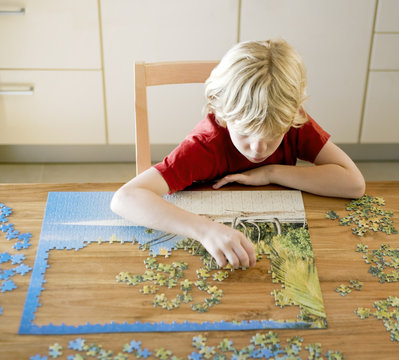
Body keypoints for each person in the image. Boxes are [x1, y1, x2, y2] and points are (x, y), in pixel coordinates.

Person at [111, 38, 365, 270]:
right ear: (222, 113)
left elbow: (353, 184)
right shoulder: (205, 145)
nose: (258, 149)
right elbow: (125, 198)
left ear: (293, 116)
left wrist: (271, 172)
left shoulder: (291, 120)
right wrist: (206, 231)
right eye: (245, 133)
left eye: (272, 135)